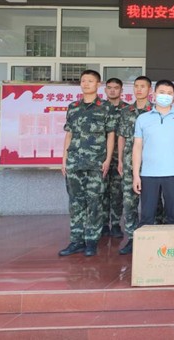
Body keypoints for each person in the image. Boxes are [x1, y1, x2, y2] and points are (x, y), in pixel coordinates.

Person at [59, 69, 116, 257]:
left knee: (94, 202)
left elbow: (110, 135)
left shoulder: (106, 107)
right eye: (83, 81)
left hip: (96, 163)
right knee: (75, 202)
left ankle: (91, 240)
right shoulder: (73, 107)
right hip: (74, 162)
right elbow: (69, 134)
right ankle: (76, 240)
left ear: (98, 84)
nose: (86, 84)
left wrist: (107, 159)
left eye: (90, 81)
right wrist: (64, 160)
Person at [133, 80, 174, 226]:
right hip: (149, 174)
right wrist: (136, 175)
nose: (165, 96)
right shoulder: (143, 118)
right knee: (147, 216)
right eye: (162, 92)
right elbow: (137, 147)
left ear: (173, 96)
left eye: (169, 93)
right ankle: (146, 241)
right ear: (154, 94)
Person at [116, 76, 152, 255]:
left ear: (149, 90)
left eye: (143, 86)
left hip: (152, 164)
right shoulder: (126, 111)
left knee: (152, 203)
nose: (139, 89)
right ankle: (132, 237)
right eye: (136, 86)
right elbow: (121, 137)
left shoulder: (156, 111)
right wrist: (120, 160)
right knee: (129, 202)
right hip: (130, 163)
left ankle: (151, 236)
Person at [101, 77, 128, 239]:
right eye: (109, 87)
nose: (112, 90)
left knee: (117, 193)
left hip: (120, 158)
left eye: (116, 88)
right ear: (105, 90)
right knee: (102, 192)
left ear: (121, 90)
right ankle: (104, 224)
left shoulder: (127, 110)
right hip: (101, 158)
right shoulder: (99, 108)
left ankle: (116, 224)